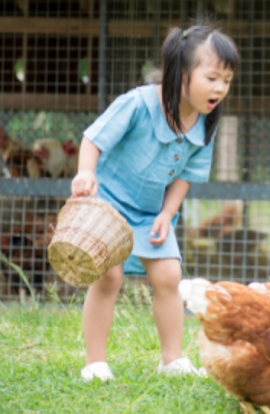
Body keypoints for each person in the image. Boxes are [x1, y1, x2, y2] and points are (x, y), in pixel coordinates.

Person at [71, 24, 239, 381]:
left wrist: (167, 212)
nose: (220, 88)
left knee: (169, 275)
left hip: (151, 210)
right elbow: (93, 139)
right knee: (108, 276)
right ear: (181, 73)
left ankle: (172, 360)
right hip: (109, 204)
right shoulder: (138, 103)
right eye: (212, 77)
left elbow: (186, 175)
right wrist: (86, 172)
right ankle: (95, 364)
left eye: (227, 80)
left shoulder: (204, 121)